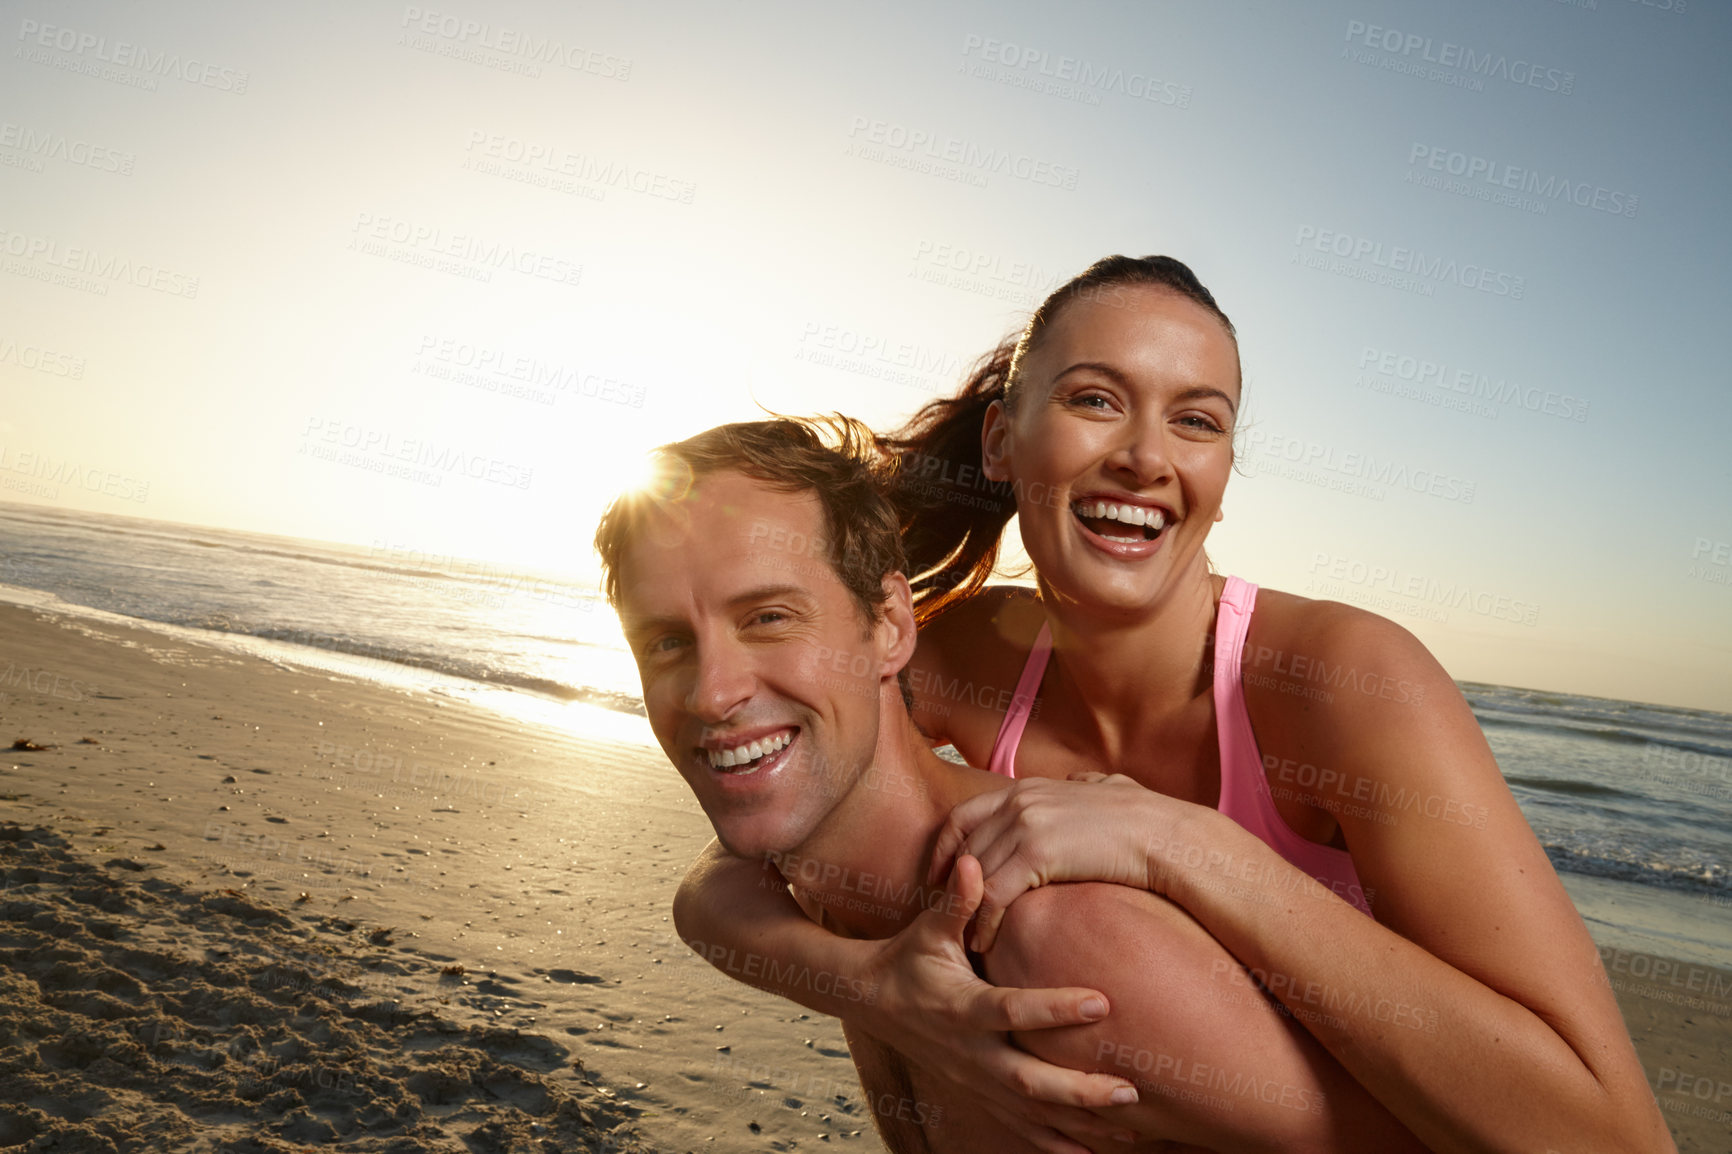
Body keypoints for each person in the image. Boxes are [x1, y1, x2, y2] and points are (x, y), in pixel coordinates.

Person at [673, 257, 1674, 1154]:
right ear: (1000, 441)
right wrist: (881, 991)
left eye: (1195, 420)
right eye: (1094, 400)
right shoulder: (965, 651)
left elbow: (1612, 1133)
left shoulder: (1338, 677)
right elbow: (748, 861)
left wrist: (1185, 846)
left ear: (1221, 478)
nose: (1145, 457)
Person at [593, 418, 1429, 1153]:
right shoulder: (827, 907)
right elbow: (709, 894)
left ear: (889, 628)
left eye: (769, 618)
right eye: (666, 642)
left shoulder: (1064, 940)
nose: (710, 692)